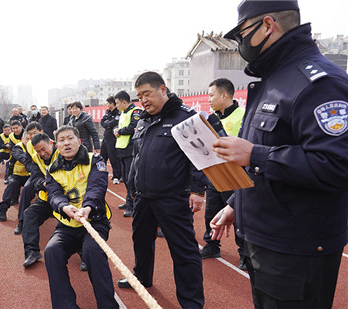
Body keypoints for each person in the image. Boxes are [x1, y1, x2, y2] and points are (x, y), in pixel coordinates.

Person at [211, 1, 348, 307]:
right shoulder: (276, 80)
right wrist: (237, 204)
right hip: (267, 241)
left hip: (296, 249)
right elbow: (271, 156)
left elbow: (338, 165)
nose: (240, 43)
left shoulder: (318, 83)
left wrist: (255, 155)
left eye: (243, 33)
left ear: (268, 26)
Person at [116, 72, 206, 309]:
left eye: (147, 93)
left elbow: (200, 156)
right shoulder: (143, 121)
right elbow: (137, 156)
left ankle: (191, 302)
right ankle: (142, 277)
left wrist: (198, 190)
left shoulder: (185, 118)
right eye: (139, 96)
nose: (143, 100)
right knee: (141, 241)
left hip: (173, 198)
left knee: (184, 251)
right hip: (143, 197)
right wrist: (133, 187)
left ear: (163, 89)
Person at [44, 125, 118, 309]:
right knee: (51, 252)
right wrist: (64, 207)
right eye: (61, 140)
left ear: (79, 141)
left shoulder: (95, 160)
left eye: (70, 138)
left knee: (92, 252)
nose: (66, 143)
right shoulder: (52, 169)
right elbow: (54, 195)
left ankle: (108, 306)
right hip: (67, 226)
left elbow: (97, 187)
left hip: (94, 222)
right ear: (56, 145)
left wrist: (87, 208)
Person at [199, 78, 246, 270]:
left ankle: (244, 253)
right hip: (215, 171)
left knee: (237, 215)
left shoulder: (243, 115)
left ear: (224, 95)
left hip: (235, 173)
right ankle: (211, 245)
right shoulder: (212, 117)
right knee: (211, 210)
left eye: (211, 95)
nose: (209, 99)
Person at [21, 133, 59, 267]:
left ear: (51, 144)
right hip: (47, 198)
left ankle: (84, 254)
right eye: (38, 151)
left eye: (44, 149)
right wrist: (42, 183)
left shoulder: (62, 154)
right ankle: (32, 252)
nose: (42, 153)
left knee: (71, 222)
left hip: (65, 199)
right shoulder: (35, 158)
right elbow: (35, 178)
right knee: (29, 214)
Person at [113, 91, 143, 217]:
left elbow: (133, 127)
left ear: (124, 102)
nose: (116, 106)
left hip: (131, 149)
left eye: (117, 103)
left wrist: (120, 131)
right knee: (125, 178)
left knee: (131, 179)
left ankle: (132, 206)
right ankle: (128, 201)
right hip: (122, 149)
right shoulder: (124, 112)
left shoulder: (136, 111)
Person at [0, 124, 29, 222]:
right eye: (26, 138)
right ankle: (3, 209)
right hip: (17, 174)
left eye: (30, 139)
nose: (28, 141)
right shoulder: (17, 148)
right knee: (12, 185)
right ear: (23, 138)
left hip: (30, 176)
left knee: (32, 188)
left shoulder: (35, 147)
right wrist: (8, 176)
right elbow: (12, 163)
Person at [100, 96, 121, 185]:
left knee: (113, 158)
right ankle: (100, 175)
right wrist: (107, 125)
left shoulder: (118, 113)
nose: (107, 105)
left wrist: (108, 124)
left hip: (113, 139)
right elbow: (102, 122)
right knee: (102, 157)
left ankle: (116, 176)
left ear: (112, 104)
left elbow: (114, 123)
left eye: (108, 103)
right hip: (106, 138)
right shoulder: (107, 112)